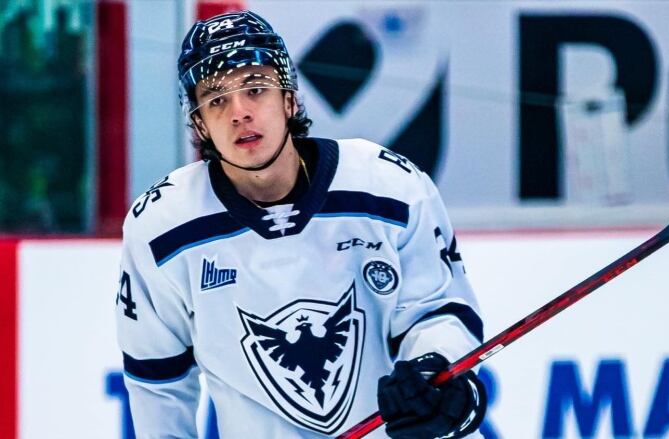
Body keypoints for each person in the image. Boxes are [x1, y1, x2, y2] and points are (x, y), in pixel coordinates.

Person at [116, 10, 486, 438]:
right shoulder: (162, 228)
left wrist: (434, 367)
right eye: (216, 99)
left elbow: (439, 311)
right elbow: (158, 383)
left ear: (289, 98)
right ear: (199, 123)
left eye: (255, 88)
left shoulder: (389, 185)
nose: (239, 112)